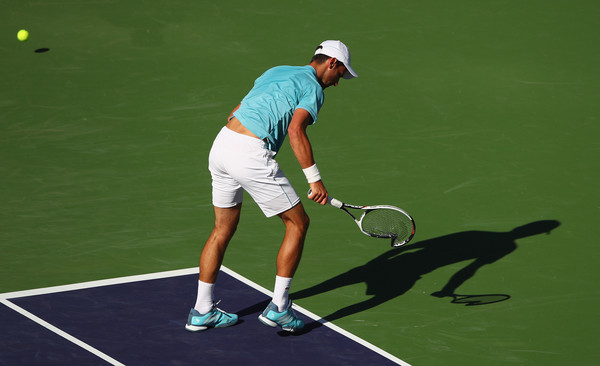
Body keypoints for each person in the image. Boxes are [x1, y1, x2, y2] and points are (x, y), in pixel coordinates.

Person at [185, 40, 358, 333]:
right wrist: (314, 179)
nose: (337, 82)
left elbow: (237, 109)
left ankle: (201, 311)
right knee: (298, 223)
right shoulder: (314, 89)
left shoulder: (276, 70)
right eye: (340, 74)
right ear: (331, 63)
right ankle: (279, 307)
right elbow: (295, 129)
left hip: (223, 143)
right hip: (249, 152)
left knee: (221, 229)